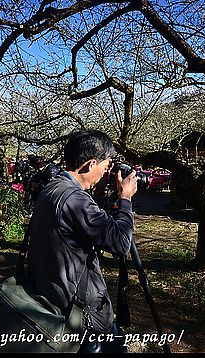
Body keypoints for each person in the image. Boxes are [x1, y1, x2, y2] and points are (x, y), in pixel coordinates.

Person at [27, 129, 137, 353]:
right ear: (90, 164)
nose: (106, 171)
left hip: (53, 298)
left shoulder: (54, 187)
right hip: (81, 313)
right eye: (105, 166)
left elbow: (82, 225)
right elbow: (120, 242)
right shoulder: (74, 199)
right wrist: (125, 199)